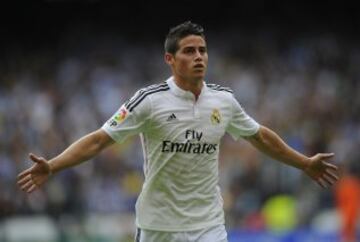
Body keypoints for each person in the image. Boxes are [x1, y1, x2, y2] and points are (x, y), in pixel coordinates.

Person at [17, 21, 339, 242]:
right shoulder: (148, 101)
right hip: (159, 227)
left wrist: (304, 163)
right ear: (170, 59)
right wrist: (54, 165)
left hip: (207, 225)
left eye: (202, 50)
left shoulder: (223, 100)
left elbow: (260, 136)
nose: (198, 56)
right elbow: (100, 139)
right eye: (189, 51)